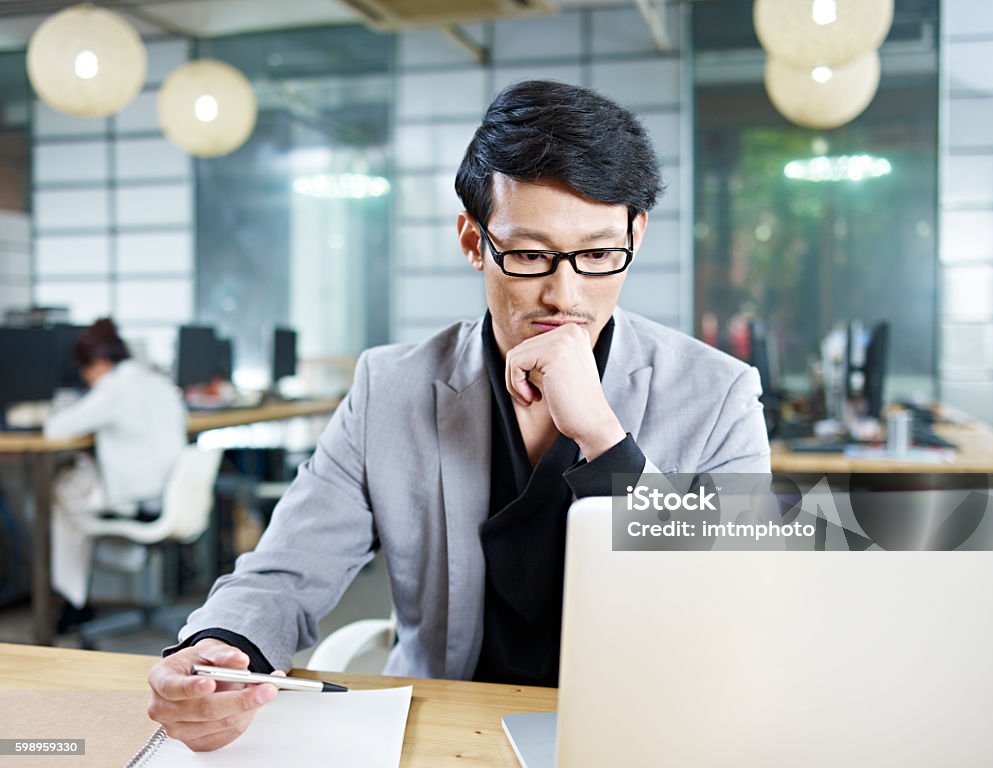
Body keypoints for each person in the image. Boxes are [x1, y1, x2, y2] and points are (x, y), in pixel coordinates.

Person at [147, 80, 772, 751]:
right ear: (473, 241)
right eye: (530, 255)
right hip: (444, 731)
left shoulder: (718, 395)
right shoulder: (390, 388)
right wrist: (222, 650)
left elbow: (730, 614)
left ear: (635, 234)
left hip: (641, 736)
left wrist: (603, 438)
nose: (566, 294)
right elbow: (286, 572)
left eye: (596, 255)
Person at [45, 318, 186, 621]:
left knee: (60, 492)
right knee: (76, 486)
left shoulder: (113, 389)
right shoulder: (157, 381)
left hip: (139, 500)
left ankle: (71, 601)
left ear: (95, 363)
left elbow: (56, 430)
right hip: (168, 491)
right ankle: (78, 594)